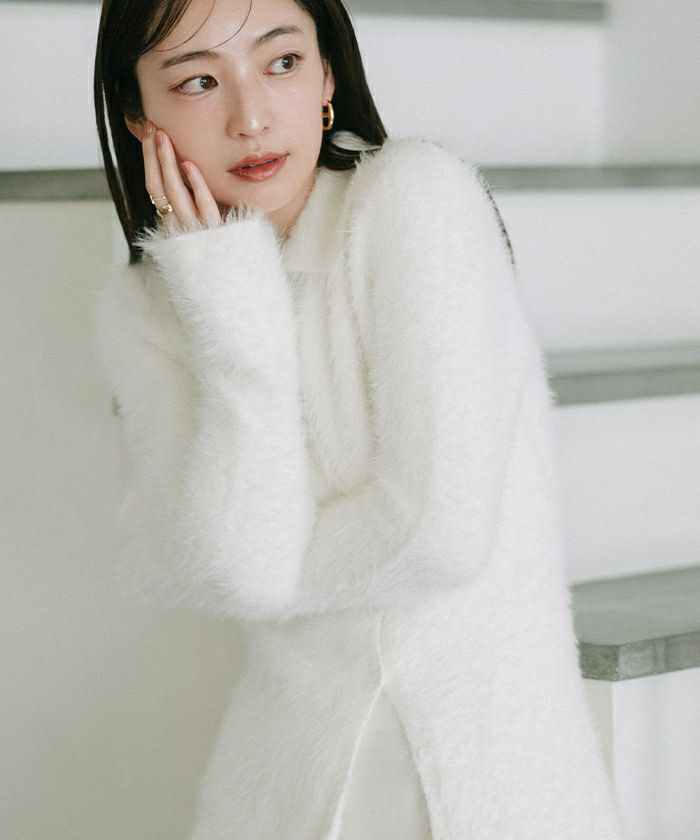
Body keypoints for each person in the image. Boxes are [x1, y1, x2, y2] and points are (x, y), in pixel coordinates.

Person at [92, 0, 628, 838]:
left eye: (281, 62)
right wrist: (235, 324)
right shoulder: (153, 303)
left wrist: (260, 566)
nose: (251, 117)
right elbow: (193, 567)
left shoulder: (415, 198)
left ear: (328, 75)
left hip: (470, 784)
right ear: (138, 114)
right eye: (198, 81)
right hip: (277, 790)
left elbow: (436, 534)